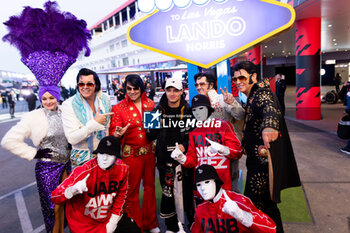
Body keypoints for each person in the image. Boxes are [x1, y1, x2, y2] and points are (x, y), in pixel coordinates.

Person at [232, 61, 301, 233]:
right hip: (257, 163)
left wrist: (270, 125)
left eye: (242, 77)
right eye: (235, 78)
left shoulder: (262, 93)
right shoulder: (252, 95)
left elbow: (270, 108)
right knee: (266, 207)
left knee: (259, 207)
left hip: (262, 167)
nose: (238, 81)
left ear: (253, 77)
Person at [1, 88, 71, 233]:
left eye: (51, 98)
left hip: (67, 165)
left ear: (57, 97)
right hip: (47, 168)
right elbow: (8, 140)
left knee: (65, 205)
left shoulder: (66, 112)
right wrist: (34, 153)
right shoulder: (33, 117)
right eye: (44, 99)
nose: (48, 102)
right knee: (53, 208)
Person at [51, 136, 140, 233]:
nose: (104, 158)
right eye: (101, 153)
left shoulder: (122, 169)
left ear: (116, 157)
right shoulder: (83, 171)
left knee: (133, 229)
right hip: (83, 224)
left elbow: (120, 197)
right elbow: (55, 196)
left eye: (110, 154)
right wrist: (71, 190)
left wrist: (113, 222)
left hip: (106, 218)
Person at [110, 74, 159, 232]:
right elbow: (113, 132)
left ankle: (150, 222)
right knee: (131, 191)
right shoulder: (118, 108)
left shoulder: (151, 104)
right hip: (131, 155)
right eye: (128, 89)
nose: (132, 92)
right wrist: (118, 134)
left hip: (150, 153)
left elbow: (153, 132)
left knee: (150, 188)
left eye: (135, 88)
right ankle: (135, 225)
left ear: (141, 88)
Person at [171, 94, 242, 204]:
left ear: (208, 110)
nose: (197, 112)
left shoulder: (224, 126)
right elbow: (193, 161)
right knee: (203, 217)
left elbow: (238, 152)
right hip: (201, 187)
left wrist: (223, 149)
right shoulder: (193, 133)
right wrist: (182, 158)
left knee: (225, 218)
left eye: (201, 108)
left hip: (223, 185)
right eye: (194, 110)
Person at [146, 77, 194, 232]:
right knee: (168, 195)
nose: (172, 94)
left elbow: (194, 135)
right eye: (169, 90)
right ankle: (171, 227)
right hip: (164, 162)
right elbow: (149, 136)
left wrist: (184, 146)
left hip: (185, 162)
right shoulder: (156, 110)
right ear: (165, 91)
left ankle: (192, 224)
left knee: (187, 194)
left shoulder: (189, 111)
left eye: (175, 90)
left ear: (181, 92)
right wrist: (155, 126)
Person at [194, 72, 244, 193]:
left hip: (227, 149)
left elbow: (241, 115)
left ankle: (233, 208)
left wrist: (231, 103)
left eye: (202, 84)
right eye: (196, 85)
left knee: (231, 182)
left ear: (211, 85)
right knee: (209, 182)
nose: (199, 87)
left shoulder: (223, 98)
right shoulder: (198, 102)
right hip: (207, 151)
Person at [191, 164, 277, 233]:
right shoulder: (200, 209)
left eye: (207, 182)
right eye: (198, 185)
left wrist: (241, 215)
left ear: (216, 182)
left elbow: (271, 228)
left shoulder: (239, 201)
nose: (202, 188)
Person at [61, 68, 113, 168]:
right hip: (82, 161)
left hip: (105, 158)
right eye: (81, 84)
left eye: (89, 84)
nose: (85, 87)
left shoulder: (104, 99)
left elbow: (107, 128)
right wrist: (94, 123)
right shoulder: (69, 105)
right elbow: (72, 139)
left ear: (96, 85)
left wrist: (115, 134)